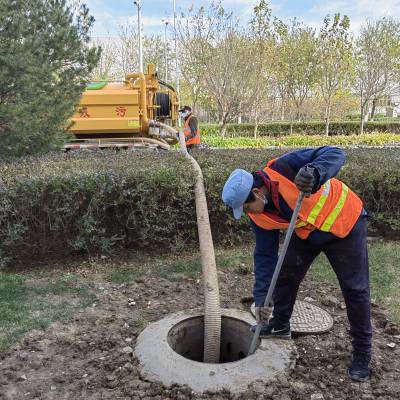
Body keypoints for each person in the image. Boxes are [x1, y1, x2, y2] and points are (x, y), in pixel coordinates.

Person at [221, 146, 372, 382]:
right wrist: (261, 301)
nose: (248, 213)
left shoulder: (285, 167)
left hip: (345, 223)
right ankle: (280, 326)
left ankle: (362, 352)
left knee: (355, 290)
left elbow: (336, 153)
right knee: (284, 276)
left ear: (257, 192)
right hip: (308, 232)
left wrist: (315, 171)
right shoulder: (258, 216)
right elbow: (264, 257)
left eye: (247, 207)